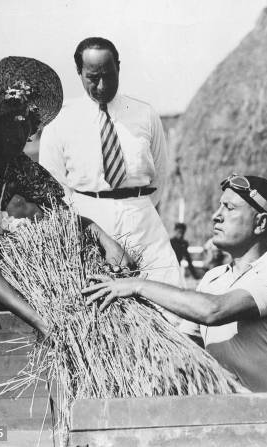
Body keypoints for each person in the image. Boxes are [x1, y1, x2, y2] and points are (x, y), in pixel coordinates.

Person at [0, 57, 131, 436]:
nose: (22, 134)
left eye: (29, 126)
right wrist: (45, 323)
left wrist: (102, 237)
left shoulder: (13, 166)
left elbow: (63, 215)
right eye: (14, 125)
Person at [83, 175, 267, 392]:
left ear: (261, 223)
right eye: (220, 207)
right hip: (226, 415)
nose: (216, 216)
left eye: (229, 208)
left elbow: (213, 310)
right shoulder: (213, 278)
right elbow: (184, 347)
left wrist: (136, 285)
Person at [39, 37, 181, 286]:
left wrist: (133, 206)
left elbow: (160, 175)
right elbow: (52, 188)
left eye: (109, 74)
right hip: (88, 222)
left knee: (168, 298)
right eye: (93, 77)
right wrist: (92, 225)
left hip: (142, 220)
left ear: (118, 66)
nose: (102, 85)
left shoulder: (144, 113)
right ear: (79, 73)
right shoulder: (60, 120)